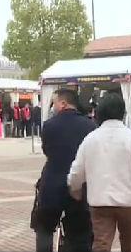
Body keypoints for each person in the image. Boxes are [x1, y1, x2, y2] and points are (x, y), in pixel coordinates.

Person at [68, 93, 131, 252]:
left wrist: (75, 187)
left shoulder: (90, 139)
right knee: (129, 244)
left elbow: (77, 169)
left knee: (101, 244)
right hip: (128, 201)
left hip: (100, 201)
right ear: (122, 112)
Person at [32, 89, 96, 252]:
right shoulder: (89, 125)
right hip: (80, 186)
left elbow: (47, 150)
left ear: (63, 103)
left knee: (44, 229)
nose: (52, 107)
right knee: (79, 233)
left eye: (53, 103)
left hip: (52, 185)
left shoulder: (49, 125)